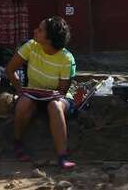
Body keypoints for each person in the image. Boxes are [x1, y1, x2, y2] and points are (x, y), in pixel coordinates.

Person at [5, 17, 77, 169]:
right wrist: (19, 89)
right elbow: (10, 69)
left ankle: (62, 156)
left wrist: (51, 95)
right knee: (23, 103)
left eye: (40, 30)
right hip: (32, 95)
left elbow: (62, 90)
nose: (35, 31)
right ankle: (17, 143)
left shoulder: (66, 58)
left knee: (55, 106)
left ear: (49, 38)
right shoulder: (31, 46)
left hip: (57, 98)